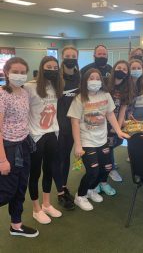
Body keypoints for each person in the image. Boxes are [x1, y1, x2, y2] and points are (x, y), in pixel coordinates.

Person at [67, 68, 130, 211]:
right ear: (85, 81)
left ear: (101, 81)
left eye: (97, 78)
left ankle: (91, 190)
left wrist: (119, 131)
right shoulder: (80, 98)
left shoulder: (105, 95)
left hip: (102, 139)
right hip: (87, 141)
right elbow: (74, 122)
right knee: (93, 171)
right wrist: (78, 145)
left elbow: (110, 114)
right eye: (91, 78)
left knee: (107, 167)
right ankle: (80, 196)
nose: (94, 81)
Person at [0, 57, 39, 237]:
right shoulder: (2, 94)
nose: (19, 75)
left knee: (20, 187)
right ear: (6, 72)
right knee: (7, 191)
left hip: (23, 145)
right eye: (15, 71)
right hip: (8, 148)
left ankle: (16, 225)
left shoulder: (24, 93)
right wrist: (2, 160)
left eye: (23, 72)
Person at [24, 56, 64, 224]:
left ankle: (46, 204)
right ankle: (36, 209)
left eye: (55, 67)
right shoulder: (29, 87)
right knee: (35, 173)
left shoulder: (56, 86)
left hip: (52, 134)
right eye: (49, 67)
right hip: (36, 136)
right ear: (42, 68)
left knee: (49, 170)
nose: (52, 70)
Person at [57, 46, 80, 210]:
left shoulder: (80, 78)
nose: (70, 58)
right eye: (67, 56)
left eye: (73, 56)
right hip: (58, 126)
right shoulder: (56, 77)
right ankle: (60, 192)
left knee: (66, 158)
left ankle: (63, 186)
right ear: (62, 57)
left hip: (74, 125)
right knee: (58, 159)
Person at [107, 60, 134, 182]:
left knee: (111, 146)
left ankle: (111, 167)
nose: (121, 70)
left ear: (127, 73)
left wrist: (117, 127)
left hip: (114, 122)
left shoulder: (126, 88)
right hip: (100, 122)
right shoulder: (105, 83)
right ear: (114, 69)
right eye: (119, 67)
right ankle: (106, 168)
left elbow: (123, 109)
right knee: (100, 148)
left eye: (124, 69)